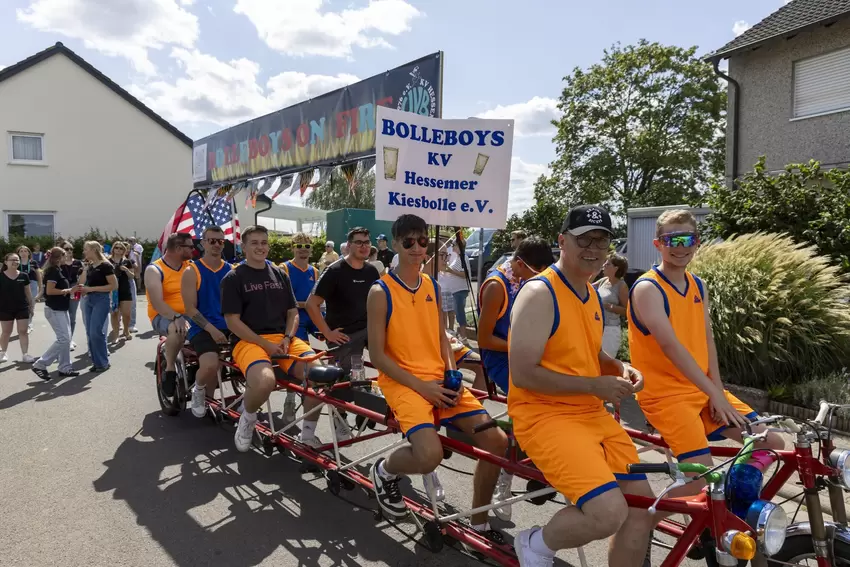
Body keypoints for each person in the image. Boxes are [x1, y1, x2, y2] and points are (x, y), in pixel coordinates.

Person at [508, 205, 654, 567]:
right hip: (545, 416)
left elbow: (589, 351)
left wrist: (620, 366)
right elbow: (523, 373)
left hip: (590, 413)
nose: (593, 247)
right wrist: (595, 384)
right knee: (607, 514)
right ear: (562, 241)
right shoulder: (539, 293)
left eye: (601, 240)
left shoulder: (589, 292)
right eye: (584, 238)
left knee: (642, 511)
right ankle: (535, 544)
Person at [367, 214, 509, 540]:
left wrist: (450, 371)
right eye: (409, 242)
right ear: (397, 244)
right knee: (429, 456)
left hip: (439, 379)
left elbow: (442, 335)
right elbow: (377, 356)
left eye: (422, 242)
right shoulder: (380, 291)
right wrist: (423, 387)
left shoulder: (432, 284)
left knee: (497, 442)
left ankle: (479, 522)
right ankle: (384, 471)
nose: (418, 248)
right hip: (404, 382)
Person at [628, 209, 784, 495]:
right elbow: (671, 347)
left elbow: (707, 339)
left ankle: (732, 497)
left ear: (697, 241)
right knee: (700, 481)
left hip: (704, 390)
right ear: (658, 244)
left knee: (772, 443)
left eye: (688, 238)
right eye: (671, 240)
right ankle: (643, 521)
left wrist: (717, 390)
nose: (681, 247)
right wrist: (714, 394)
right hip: (666, 396)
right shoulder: (648, 288)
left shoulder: (699, 284)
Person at [221, 225, 348, 451]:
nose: (260, 247)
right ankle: (247, 418)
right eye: (255, 243)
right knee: (265, 382)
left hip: (283, 338)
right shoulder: (234, 277)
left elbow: (292, 312)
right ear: (244, 247)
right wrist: (265, 344)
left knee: (319, 377)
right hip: (249, 341)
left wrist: (288, 338)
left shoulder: (279, 273)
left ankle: (307, 435)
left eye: (264, 242)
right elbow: (233, 322)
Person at [306, 227, 380, 373]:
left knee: (394, 360)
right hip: (344, 335)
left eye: (366, 242)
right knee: (346, 381)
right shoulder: (335, 271)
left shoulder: (371, 271)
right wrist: (327, 333)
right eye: (358, 242)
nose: (364, 246)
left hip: (369, 329)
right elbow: (311, 304)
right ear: (348, 245)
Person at [181, 226, 233, 418]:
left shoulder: (231, 270)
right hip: (202, 326)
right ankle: (198, 389)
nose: (217, 244)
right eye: (212, 240)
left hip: (229, 324)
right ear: (202, 243)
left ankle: (214, 401)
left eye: (220, 241)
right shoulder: (192, 270)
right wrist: (212, 330)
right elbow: (190, 309)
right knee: (211, 364)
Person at [145, 232, 194, 396]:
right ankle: (170, 367)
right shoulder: (154, 269)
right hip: (163, 316)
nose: (194, 250)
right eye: (191, 247)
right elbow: (158, 303)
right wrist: (177, 316)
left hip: (190, 313)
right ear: (179, 248)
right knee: (177, 328)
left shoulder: (190, 266)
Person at [31, 247, 82, 379]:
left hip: (60, 308)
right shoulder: (53, 271)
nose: (67, 258)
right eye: (65, 256)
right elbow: (50, 291)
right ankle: (41, 364)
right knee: (64, 338)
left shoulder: (57, 270)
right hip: (54, 309)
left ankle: (65, 367)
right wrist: (68, 290)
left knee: (66, 339)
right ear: (59, 258)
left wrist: (69, 292)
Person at [79, 241, 118, 372]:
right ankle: (97, 362)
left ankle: (103, 362)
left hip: (101, 299)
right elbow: (81, 283)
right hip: (89, 299)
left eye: (86, 249)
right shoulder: (90, 266)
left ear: (94, 250)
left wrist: (91, 289)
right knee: (90, 332)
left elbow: (113, 285)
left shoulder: (106, 265)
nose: (84, 252)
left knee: (96, 332)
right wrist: (85, 270)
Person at [279, 233, 319, 344]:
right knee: (303, 351)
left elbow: (318, 298)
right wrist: (305, 304)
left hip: (312, 315)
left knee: (337, 337)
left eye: (307, 246)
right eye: (299, 246)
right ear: (292, 248)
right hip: (294, 316)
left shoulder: (315, 271)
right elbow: (280, 299)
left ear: (311, 248)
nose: (303, 249)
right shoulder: (284, 268)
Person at [0, 252, 36, 363]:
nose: (15, 262)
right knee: (6, 332)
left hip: (22, 307)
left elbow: (28, 293)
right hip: (5, 308)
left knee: (23, 331)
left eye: (17, 260)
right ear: (6, 262)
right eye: (12, 260)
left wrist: (31, 306)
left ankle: (25, 354)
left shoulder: (23, 275)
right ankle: (3, 353)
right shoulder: (1, 276)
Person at [593, 253, 629, 357]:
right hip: (597, 327)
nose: (604, 265)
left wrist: (609, 307)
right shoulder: (604, 281)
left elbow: (628, 311)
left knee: (606, 364)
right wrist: (594, 274)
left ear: (616, 268)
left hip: (610, 330)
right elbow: (586, 287)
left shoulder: (621, 286)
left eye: (607, 264)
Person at [108, 242, 135, 342]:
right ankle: (115, 334)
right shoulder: (108, 261)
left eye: (121, 248)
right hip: (113, 290)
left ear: (124, 250)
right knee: (114, 313)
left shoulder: (127, 261)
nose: (118, 250)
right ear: (113, 249)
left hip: (125, 289)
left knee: (126, 313)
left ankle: (126, 330)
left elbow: (132, 276)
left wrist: (126, 270)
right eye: (116, 248)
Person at [60, 242, 83, 351]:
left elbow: (84, 275)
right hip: (63, 289)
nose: (69, 251)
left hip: (75, 288)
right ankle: (64, 339)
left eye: (70, 249)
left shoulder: (78, 262)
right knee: (63, 316)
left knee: (72, 316)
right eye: (66, 249)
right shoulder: (59, 263)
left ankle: (70, 339)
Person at [17, 246, 42, 332]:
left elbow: (39, 275)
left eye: (25, 251)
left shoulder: (33, 262)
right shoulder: (16, 263)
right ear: (19, 253)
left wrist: (41, 287)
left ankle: (28, 324)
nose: (23, 253)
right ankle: (23, 323)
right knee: (22, 304)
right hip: (19, 284)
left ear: (28, 253)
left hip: (32, 284)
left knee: (31, 303)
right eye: (21, 251)